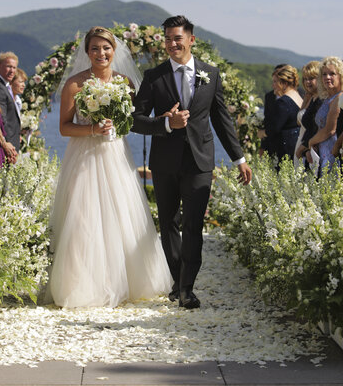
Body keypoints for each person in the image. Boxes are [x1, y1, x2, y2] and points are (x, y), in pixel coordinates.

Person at [132, 15, 251, 309]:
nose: (172, 44)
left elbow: (222, 121)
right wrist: (167, 124)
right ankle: (175, 281)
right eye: (168, 38)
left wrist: (239, 159)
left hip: (200, 161)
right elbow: (135, 121)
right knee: (169, 223)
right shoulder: (153, 77)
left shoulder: (211, 74)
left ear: (191, 40)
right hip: (164, 162)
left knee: (194, 225)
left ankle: (187, 288)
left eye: (177, 38)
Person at [48, 26, 171, 308]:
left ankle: (127, 280)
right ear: (87, 52)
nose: (100, 53)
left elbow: (135, 120)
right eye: (94, 48)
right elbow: (65, 128)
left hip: (115, 153)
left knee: (121, 213)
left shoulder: (126, 83)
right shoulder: (74, 85)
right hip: (85, 156)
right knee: (83, 218)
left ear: (114, 51)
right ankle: (81, 285)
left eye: (106, 48)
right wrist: (93, 128)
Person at [260, 65, 303, 164]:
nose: (273, 85)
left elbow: (274, 129)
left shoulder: (284, 102)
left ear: (284, 83)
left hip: (285, 149)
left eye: (275, 82)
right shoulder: (298, 97)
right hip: (296, 143)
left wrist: (262, 133)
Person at [309, 56, 343, 173]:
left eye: (332, 74)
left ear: (340, 76)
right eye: (324, 74)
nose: (327, 77)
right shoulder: (327, 98)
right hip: (322, 152)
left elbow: (330, 130)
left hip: (333, 152)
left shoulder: (339, 98)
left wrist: (310, 142)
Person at [295, 61, 322, 168]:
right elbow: (299, 121)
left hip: (310, 147)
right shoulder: (311, 98)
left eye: (311, 78)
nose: (307, 82)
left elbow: (315, 127)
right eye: (305, 79)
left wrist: (304, 147)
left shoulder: (321, 100)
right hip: (302, 143)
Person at [0, 52, 20, 159]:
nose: (12, 71)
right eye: (9, 67)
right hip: (8, 145)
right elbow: (2, 118)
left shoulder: (6, 86)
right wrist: (7, 143)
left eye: (14, 68)